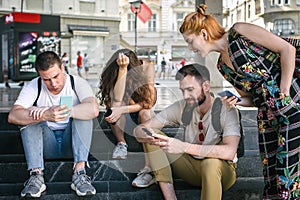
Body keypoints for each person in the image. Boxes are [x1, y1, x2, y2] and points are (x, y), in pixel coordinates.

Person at [179, 4, 300, 200]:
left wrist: (284, 92)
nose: (190, 47)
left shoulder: (239, 32)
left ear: (203, 34)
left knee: (286, 173)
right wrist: (235, 101)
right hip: (267, 117)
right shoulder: (221, 67)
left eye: (190, 41)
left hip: (292, 108)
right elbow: (251, 97)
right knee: (271, 178)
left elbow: (287, 49)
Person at [133, 63, 241, 200]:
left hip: (221, 173)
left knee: (211, 163)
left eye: (190, 89)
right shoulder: (183, 107)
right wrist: (146, 135)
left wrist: (183, 146)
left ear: (206, 86)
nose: (185, 96)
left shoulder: (227, 109)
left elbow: (229, 152)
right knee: (154, 136)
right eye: (182, 90)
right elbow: (140, 129)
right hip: (191, 169)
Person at [8, 51, 99, 198]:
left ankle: (80, 173)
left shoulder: (77, 83)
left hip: (72, 143)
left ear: (62, 68)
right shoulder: (34, 86)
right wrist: (43, 115)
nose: (53, 84)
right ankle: (36, 176)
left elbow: (93, 109)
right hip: (46, 145)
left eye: (56, 76)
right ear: (40, 76)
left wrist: (65, 112)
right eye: (47, 80)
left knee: (84, 115)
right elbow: (13, 115)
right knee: (30, 118)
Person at [97, 49, 157, 188]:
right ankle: (121, 143)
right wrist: (122, 70)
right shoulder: (113, 75)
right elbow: (116, 100)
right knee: (115, 105)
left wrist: (123, 109)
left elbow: (148, 101)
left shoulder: (146, 67)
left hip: (140, 113)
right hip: (120, 117)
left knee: (146, 113)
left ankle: (148, 170)